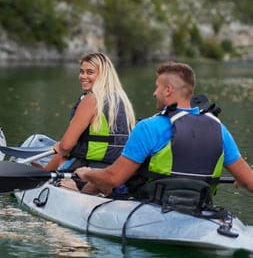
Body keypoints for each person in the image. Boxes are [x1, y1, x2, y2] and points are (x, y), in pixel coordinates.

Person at [75, 61, 253, 198]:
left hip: (152, 206)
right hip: (199, 206)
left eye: (157, 87)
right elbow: (250, 182)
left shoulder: (149, 127)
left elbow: (113, 178)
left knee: (95, 183)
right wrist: (243, 179)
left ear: (168, 90)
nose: (154, 93)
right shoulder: (219, 129)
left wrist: (89, 174)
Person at [43, 52, 136, 180]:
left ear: (103, 75)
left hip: (89, 169)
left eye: (90, 72)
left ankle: (41, 178)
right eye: (81, 72)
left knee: (62, 153)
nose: (83, 76)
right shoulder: (121, 100)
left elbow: (66, 146)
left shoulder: (91, 100)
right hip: (116, 171)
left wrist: (59, 147)